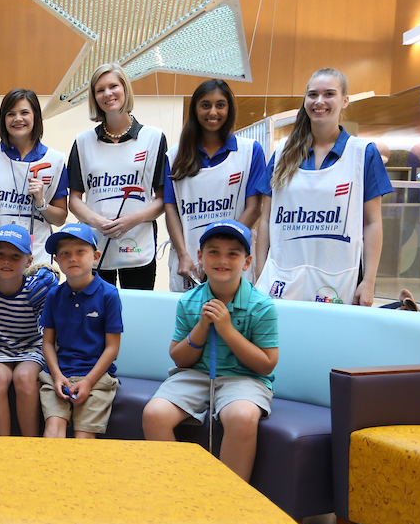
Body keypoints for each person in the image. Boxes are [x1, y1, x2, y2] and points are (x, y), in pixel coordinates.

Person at [142, 220, 279, 481]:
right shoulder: (189, 301)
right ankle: (176, 488)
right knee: (154, 413)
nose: (222, 260)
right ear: (201, 257)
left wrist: (226, 328)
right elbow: (180, 359)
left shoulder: (261, 305)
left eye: (233, 253)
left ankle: (227, 500)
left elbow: (266, 365)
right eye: (213, 252)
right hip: (195, 375)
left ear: (247, 262)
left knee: (241, 416)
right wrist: (202, 327)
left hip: (245, 379)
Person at [255, 68, 393, 306]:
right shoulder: (281, 154)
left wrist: (369, 282)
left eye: (329, 94)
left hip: (339, 282)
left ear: (345, 100)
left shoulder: (363, 153)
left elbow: (372, 223)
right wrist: (259, 275)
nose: (319, 101)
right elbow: (266, 220)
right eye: (312, 95)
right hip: (282, 280)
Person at [67, 63, 166, 289]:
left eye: (113, 86)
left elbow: (161, 200)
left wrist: (132, 220)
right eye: (100, 90)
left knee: (137, 316)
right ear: (94, 97)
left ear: (125, 89)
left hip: (138, 243)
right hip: (96, 244)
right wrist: (98, 222)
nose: (108, 94)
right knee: (96, 319)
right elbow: (74, 200)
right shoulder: (82, 142)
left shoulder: (154, 138)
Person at [163, 79, 266, 291]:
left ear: (229, 108)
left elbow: (254, 208)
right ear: (195, 109)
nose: (213, 112)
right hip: (188, 264)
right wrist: (184, 255)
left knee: (236, 321)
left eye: (220, 105)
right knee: (191, 322)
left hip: (233, 262)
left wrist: (219, 257)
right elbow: (170, 209)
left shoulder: (250, 151)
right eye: (205, 105)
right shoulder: (174, 156)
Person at [0, 224, 53, 437]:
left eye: (16, 256)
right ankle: (2, 445)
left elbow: (51, 332)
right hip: (0, 352)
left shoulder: (36, 288)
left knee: (24, 377)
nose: (7, 261)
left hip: (32, 349)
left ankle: (29, 443)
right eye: (0, 255)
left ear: (29, 261)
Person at [39, 223, 123, 439]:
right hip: (59, 374)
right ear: (56, 261)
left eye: (80, 252)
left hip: (96, 377)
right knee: (53, 431)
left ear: (95, 256)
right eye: (65, 253)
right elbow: (47, 343)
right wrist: (57, 376)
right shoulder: (54, 295)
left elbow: (112, 348)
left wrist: (87, 382)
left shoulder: (109, 295)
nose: (72, 258)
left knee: (83, 438)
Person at [0, 89, 68, 265]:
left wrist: (41, 203)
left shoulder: (56, 161)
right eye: (11, 114)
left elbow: (60, 218)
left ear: (36, 117)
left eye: (24, 112)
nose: (18, 118)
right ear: (3, 119)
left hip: (37, 257)